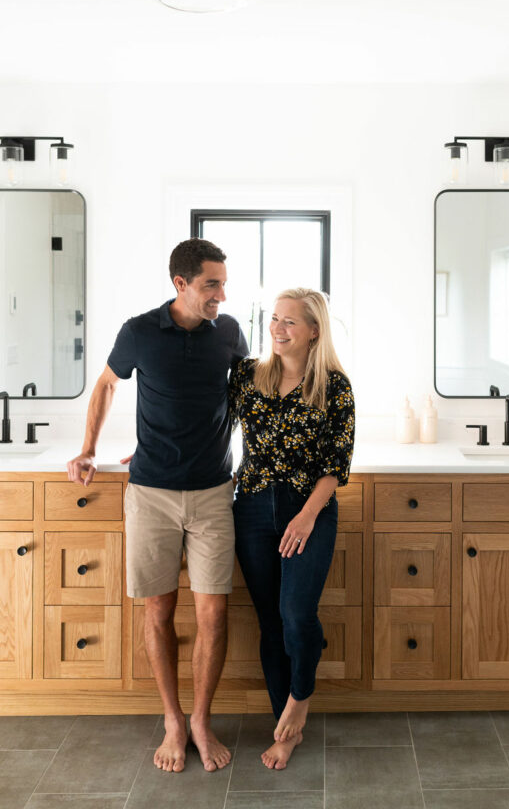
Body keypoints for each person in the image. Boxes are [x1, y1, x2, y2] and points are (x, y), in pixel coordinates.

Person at [66, 238, 248, 774]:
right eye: (211, 285)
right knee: (159, 611)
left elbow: (247, 397)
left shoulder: (229, 332)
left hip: (213, 492)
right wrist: (89, 449)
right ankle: (172, 719)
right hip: (151, 494)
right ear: (181, 284)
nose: (221, 295)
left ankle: (201, 720)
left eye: (223, 284)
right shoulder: (139, 331)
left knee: (214, 613)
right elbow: (106, 385)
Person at [230, 287, 355, 770]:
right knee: (271, 622)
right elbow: (205, 420)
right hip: (252, 509)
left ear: (314, 331)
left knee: (297, 615)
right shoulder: (249, 376)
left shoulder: (334, 387)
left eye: (289, 321)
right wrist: (154, 449)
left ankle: (299, 703)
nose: (277, 329)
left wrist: (306, 516)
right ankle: (283, 726)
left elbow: (337, 464)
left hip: (310, 511)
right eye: (274, 318)